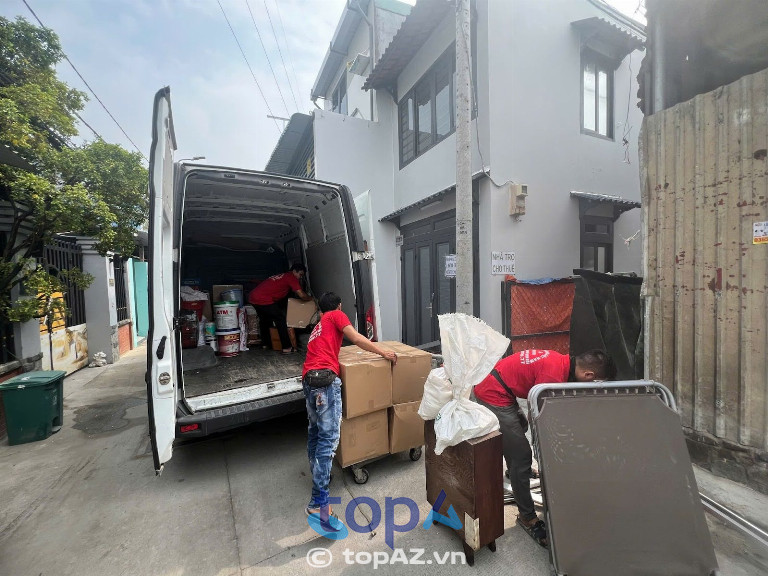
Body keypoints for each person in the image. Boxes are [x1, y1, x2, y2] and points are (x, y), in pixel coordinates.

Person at [473, 348, 617, 548]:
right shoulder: (553, 377)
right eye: (595, 384)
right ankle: (527, 517)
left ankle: (514, 470)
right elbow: (539, 419)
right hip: (492, 392)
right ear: (588, 375)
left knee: (519, 429)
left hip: (502, 384)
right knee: (522, 455)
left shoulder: (562, 362)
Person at [302, 291, 397, 522]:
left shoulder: (318, 325)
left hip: (309, 380)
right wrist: (382, 351)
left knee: (315, 433)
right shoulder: (336, 315)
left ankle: (319, 476)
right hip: (325, 382)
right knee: (328, 439)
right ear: (338, 306)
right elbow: (355, 338)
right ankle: (318, 503)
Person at [247, 263, 312, 354]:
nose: (300, 277)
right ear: (294, 271)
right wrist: (311, 299)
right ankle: (287, 347)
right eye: (300, 274)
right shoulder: (291, 277)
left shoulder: (283, 276)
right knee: (280, 319)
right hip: (263, 299)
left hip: (253, 297)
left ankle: (265, 344)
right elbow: (301, 295)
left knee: (265, 319)